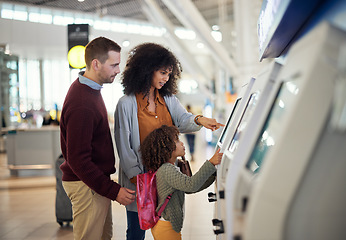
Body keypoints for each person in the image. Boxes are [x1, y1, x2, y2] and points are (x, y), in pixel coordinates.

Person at [114, 42, 224, 240]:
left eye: (169, 74)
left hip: (165, 176)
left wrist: (201, 120)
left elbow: (183, 120)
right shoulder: (126, 103)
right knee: (137, 230)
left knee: (164, 227)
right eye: (162, 72)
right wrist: (139, 179)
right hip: (140, 179)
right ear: (147, 69)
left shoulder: (168, 99)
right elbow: (124, 146)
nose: (166, 78)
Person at [60, 36, 135, 240]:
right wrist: (113, 190)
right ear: (96, 63)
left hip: (93, 184)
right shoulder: (82, 102)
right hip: (86, 185)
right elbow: (78, 159)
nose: (118, 70)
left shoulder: (90, 90)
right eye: (114, 65)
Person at [140, 125, 223, 239]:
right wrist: (211, 163)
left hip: (166, 226)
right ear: (167, 148)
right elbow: (191, 185)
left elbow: (189, 187)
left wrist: (212, 175)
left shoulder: (170, 166)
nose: (182, 143)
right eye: (178, 141)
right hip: (166, 227)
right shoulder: (167, 169)